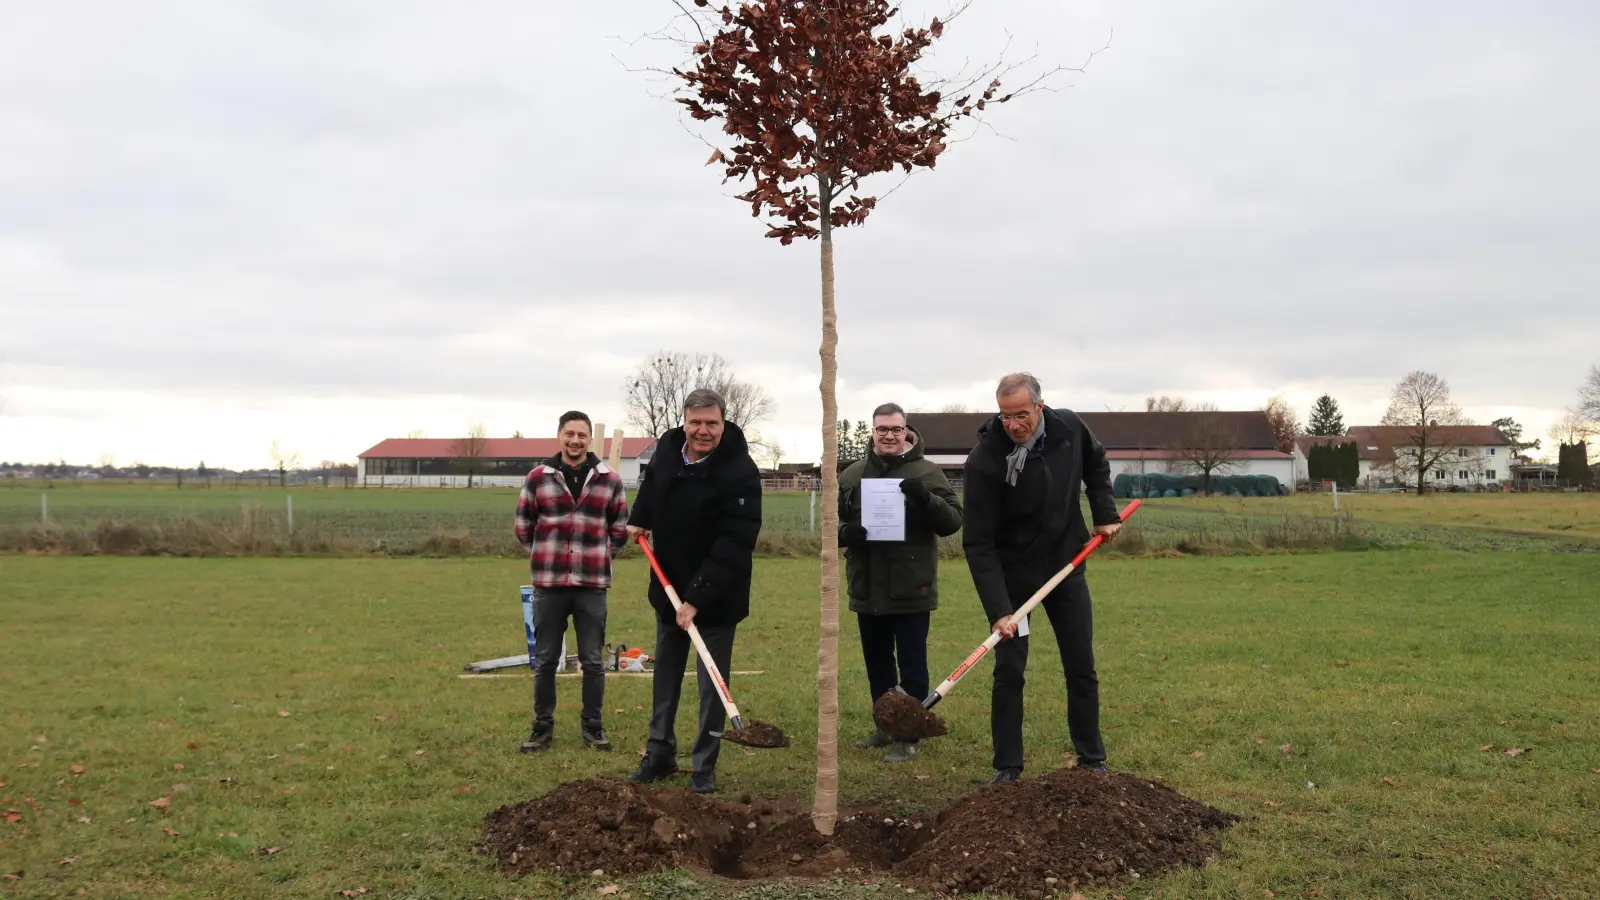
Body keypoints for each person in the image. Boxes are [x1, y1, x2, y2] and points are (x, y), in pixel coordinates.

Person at [961, 373, 1121, 783]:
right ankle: (1008, 767)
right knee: (1010, 671)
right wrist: (999, 611)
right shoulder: (985, 461)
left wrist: (1104, 513)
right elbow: (978, 543)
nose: (1013, 425)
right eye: (1005, 416)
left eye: (1021, 415)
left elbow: (1096, 463)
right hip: (1014, 579)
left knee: (1080, 664)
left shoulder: (1069, 428)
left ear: (1039, 407)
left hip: (1066, 565)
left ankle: (1091, 759)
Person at [625, 388, 762, 794]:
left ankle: (704, 767)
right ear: (685, 421)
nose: (703, 431)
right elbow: (652, 489)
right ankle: (659, 754)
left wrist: (697, 599)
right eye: (695, 422)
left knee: (710, 685)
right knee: (665, 676)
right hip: (668, 587)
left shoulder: (740, 470)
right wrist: (639, 518)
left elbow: (735, 542)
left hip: (716, 597)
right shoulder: (669, 449)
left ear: (724, 422)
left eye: (712, 423)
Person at [838, 402, 963, 763]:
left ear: (906, 431)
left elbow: (953, 521)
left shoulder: (927, 472)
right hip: (867, 585)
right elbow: (834, 521)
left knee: (912, 665)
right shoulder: (853, 475)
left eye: (896, 429)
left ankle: (907, 736)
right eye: (882, 429)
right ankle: (884, 726)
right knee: (877, 663)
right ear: (872, 432)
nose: (889, 436)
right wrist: (846, 531)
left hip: (912, 585)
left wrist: (925, 499)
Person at [513, 410, 630, 753]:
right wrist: (544, 555)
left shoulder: (609, 480)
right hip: (549, 585)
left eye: (582, 435)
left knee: (592, 660)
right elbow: (523, 525)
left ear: (589, 439)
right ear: (560, 436)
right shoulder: (538, 477)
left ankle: (593, 729)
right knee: (546, 660)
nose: (575, 441)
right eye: (570, 434)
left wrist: (599, 556)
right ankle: (542, 728)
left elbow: (620, 528)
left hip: (592, 584)